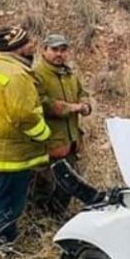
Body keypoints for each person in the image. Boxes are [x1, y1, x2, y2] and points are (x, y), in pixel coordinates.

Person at [0, 27, 51, 244]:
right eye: (27, 44)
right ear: (17, 48)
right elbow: (23, 114)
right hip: (9, 155)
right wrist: (44, 134)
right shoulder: (17, 74)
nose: (31, 47)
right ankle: (2, 247)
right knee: (8, 204)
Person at [33, 34, 92, 215]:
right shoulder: (37, 74)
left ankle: (56, 220)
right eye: (54, 49)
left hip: (71, 143)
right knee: (43, 187)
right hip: (49, 144)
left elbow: (83, 93)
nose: (59, 54)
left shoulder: (69, 74)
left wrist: (86, 105)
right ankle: (39, 225)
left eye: (63, 50)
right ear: (44, 50)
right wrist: (72, 107)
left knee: (68, 187)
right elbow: (42, 103)